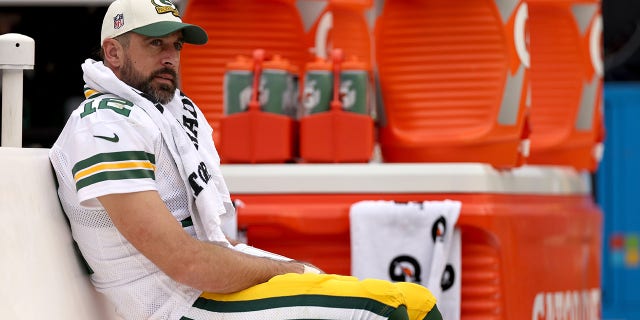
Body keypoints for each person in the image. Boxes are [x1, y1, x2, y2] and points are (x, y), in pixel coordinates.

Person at [49, 0, 443, 319]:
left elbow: (210, 240)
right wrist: (285, 269)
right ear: (113, 52)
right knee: (402, 309)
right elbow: (183, 262)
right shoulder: (103, 126)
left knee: (391, 295)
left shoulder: (162, 114)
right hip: (176, 306)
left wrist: (291, 268)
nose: (170, 57)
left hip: (199, 291)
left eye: (176, 45)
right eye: (155, 44)